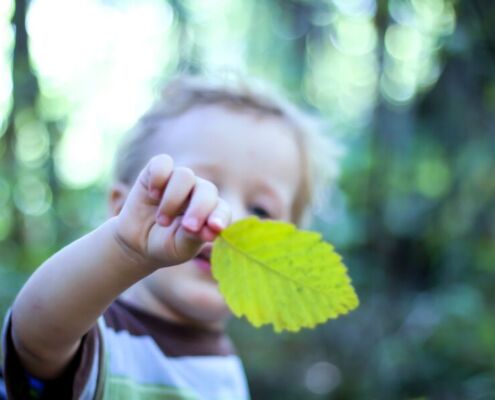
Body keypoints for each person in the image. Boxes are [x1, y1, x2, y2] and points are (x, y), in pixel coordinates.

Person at [1, 75, 336, 399]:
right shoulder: (98, 334)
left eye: (262, 210)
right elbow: (34, 336)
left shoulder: (225, 371)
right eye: (198, 188)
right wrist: (124, 247)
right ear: (123, 210)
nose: (228, 218)